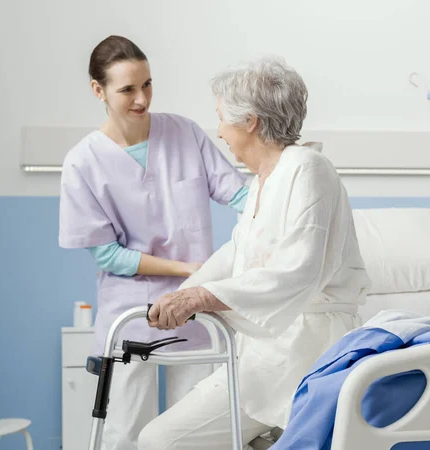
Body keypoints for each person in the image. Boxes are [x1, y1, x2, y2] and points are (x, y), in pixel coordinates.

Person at [138, 56, 370, 449]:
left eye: (222, 119)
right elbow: (237, 253)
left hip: (304, 353)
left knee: (161, 442)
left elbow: (298, 269)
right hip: (264, 356)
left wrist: (201, 298)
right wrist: (184, 295)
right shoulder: (265, 180)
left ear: (251, 121)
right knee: (162, 439)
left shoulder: (308, 168)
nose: (219, 132)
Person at [58, 35, 248, 450]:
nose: (141, 99)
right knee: (125, 432)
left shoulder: (184, 133)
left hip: (197, 308)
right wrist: (189, 270)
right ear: (99, 91)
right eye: (127, 89)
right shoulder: (83, 162)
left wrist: (282, 201)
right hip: (130, 312)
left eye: (147, 84)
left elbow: (238, 194)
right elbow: (108, 254)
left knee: (196, 432)